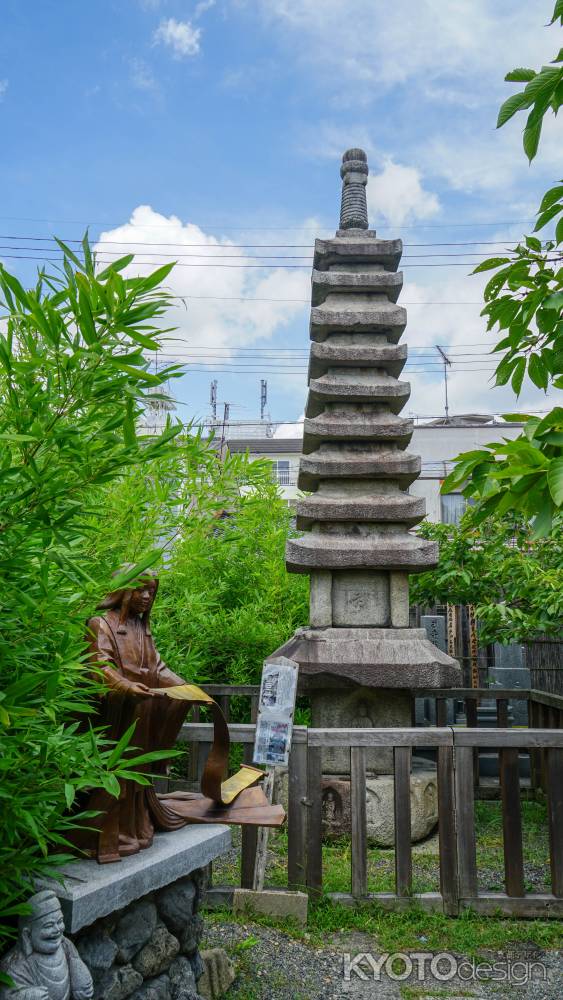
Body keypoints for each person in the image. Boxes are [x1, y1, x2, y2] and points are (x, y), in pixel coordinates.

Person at [73, 571, 191, 863]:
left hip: (143, 714)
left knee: (137, 775)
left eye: (151, 592)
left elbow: (157, 668)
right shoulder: (100, 624)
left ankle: (137, 829)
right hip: (116, 716)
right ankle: (111, 837)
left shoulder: (142, 629)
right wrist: (125, 686)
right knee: (117, 775)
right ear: (123, 590)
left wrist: (184, 689)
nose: (147, 597)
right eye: (141, 591)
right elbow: (99, 666)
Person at [0, 891, 93, 1000]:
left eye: (60, 921)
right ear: (27, 934)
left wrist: (81, 983)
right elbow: (6, 995)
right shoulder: (16, 964)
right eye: (49, 925)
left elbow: (75, 961)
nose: (57, 929)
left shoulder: (65, 945)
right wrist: (29, 995)